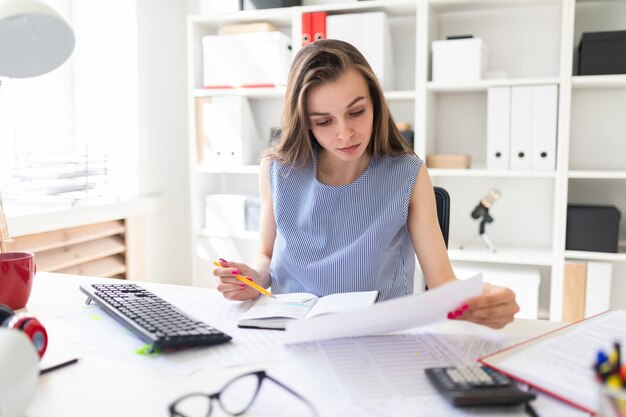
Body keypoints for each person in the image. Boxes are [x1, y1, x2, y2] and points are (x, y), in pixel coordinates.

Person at [214, 39, 519, 329]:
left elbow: (442, 282)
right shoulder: (276, 170)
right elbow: (267, 254)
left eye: (356, 112)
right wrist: (252, 278)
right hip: (289, 332)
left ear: (375, 103)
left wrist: (483, 299)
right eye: (324, 121)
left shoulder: (407, 175)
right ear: (305, 120)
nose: (345, 134)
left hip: (376, 338)